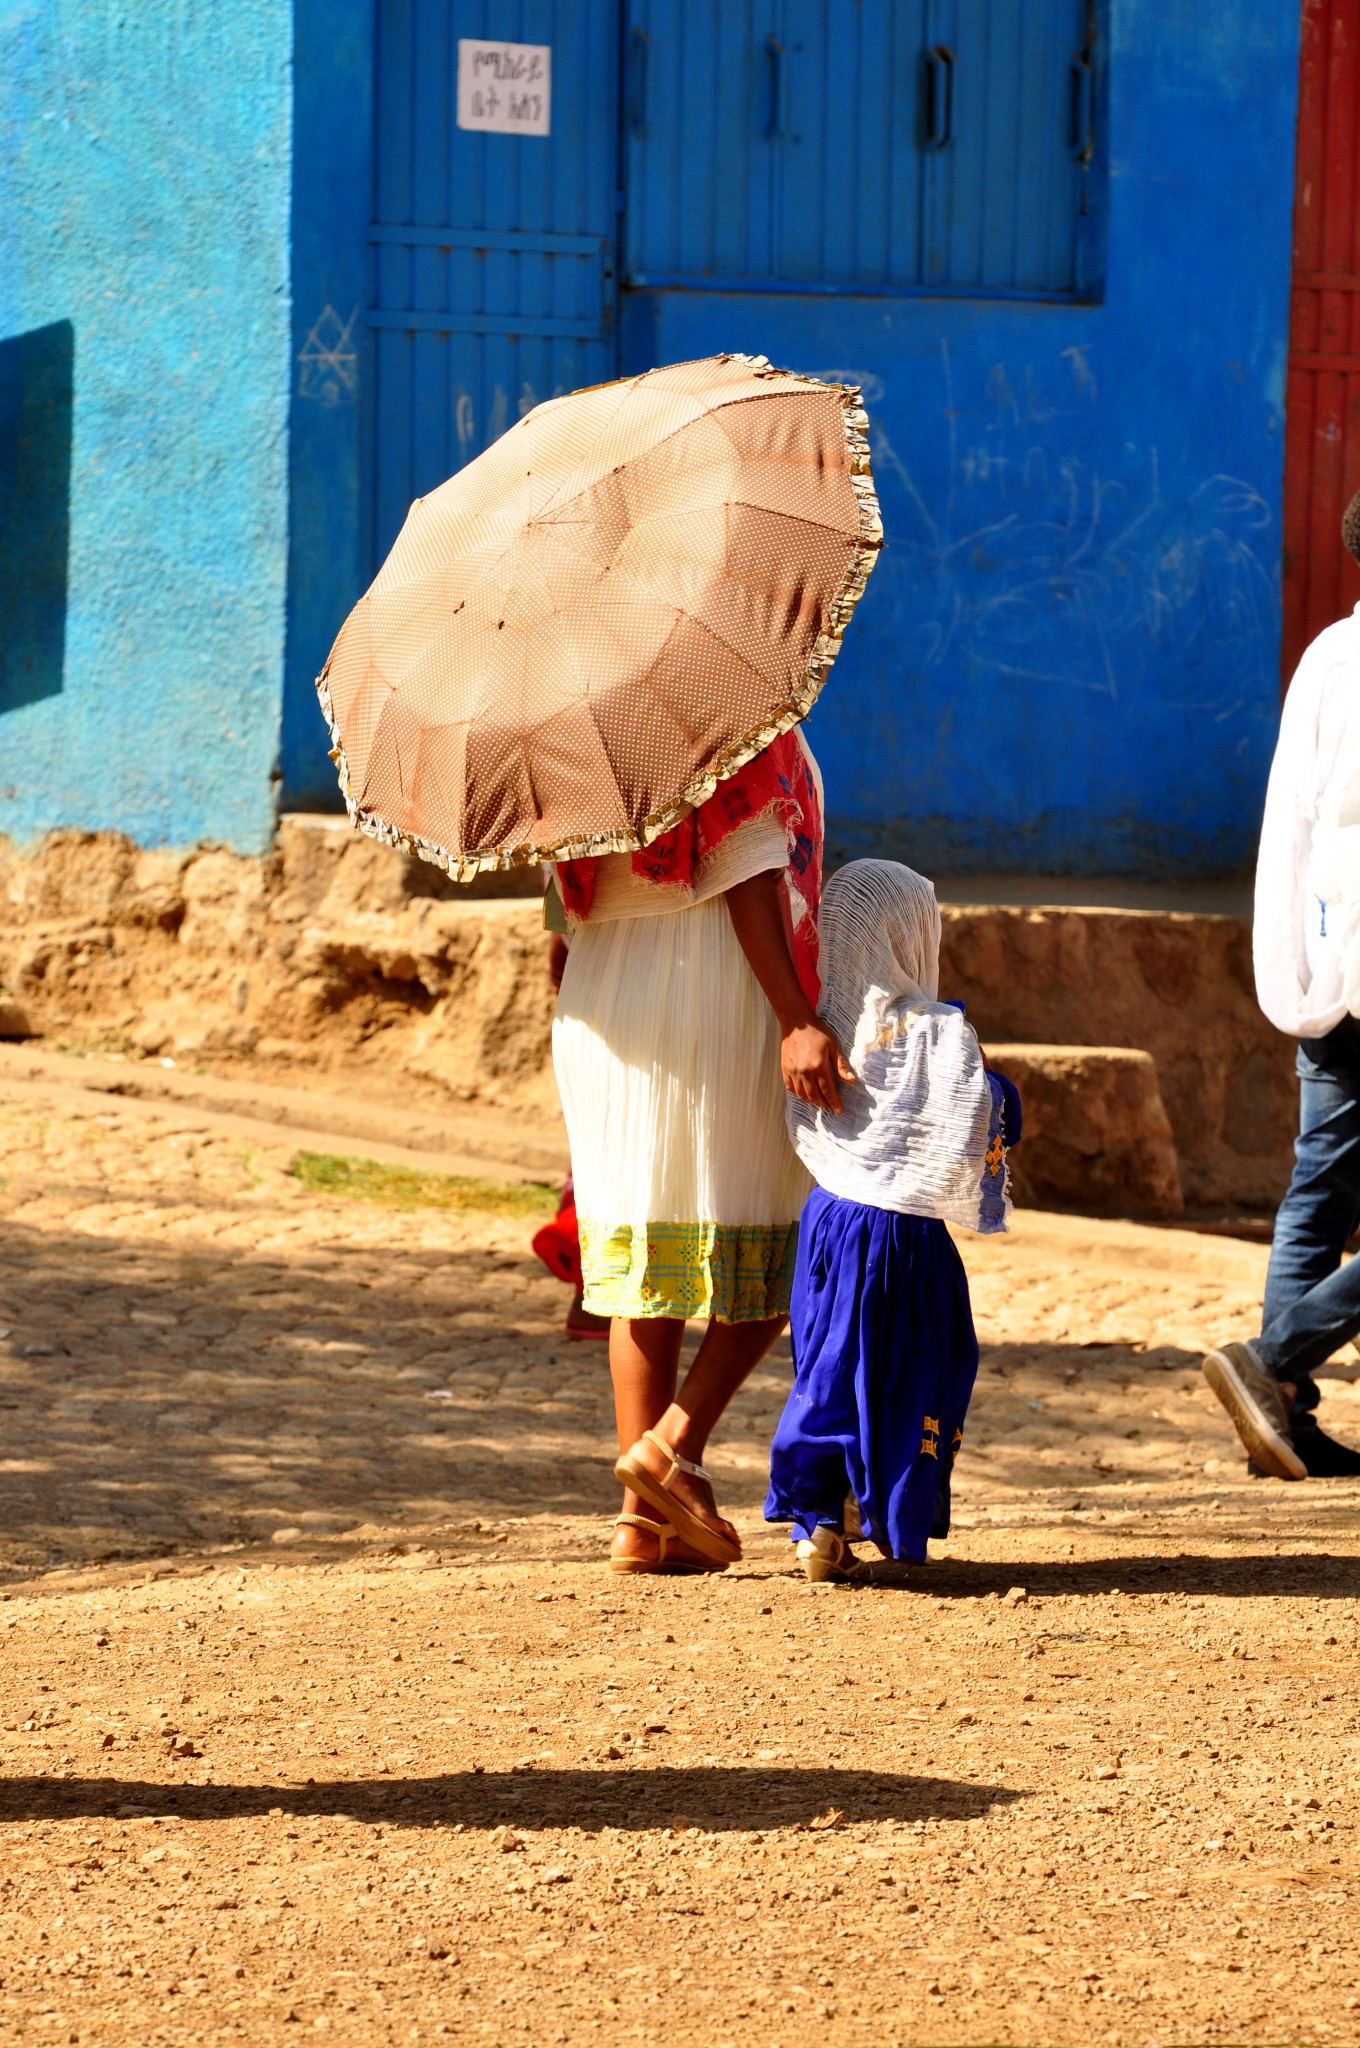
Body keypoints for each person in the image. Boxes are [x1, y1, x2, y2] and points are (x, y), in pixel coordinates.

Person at [552, 728, 851, 1573]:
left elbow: (556, 908)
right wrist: (795, 1016)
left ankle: (639, 1523)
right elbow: (750, 872)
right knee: (776, 1227)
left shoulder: (575, 737)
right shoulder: (732, 724)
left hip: (605, 989)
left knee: (642, 1248)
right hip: (716, 981)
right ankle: (672, 1452)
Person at [765, 860, 1021, 1580]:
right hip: (906, 1245)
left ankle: (817, 1520)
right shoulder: (943, 1036)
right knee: (909, 1375)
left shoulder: (815, 1033)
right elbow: (990, 1118)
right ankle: (873, 1507)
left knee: (829, 1365)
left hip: (828, 1228)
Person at [1203, 489, 1360, 1480]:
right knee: (1320, 1186)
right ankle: (1271, 1360)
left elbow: (1300, 823)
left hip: (1330, 952)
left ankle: (1277, 1418)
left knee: (1319, 1188)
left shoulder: (1326, 658)